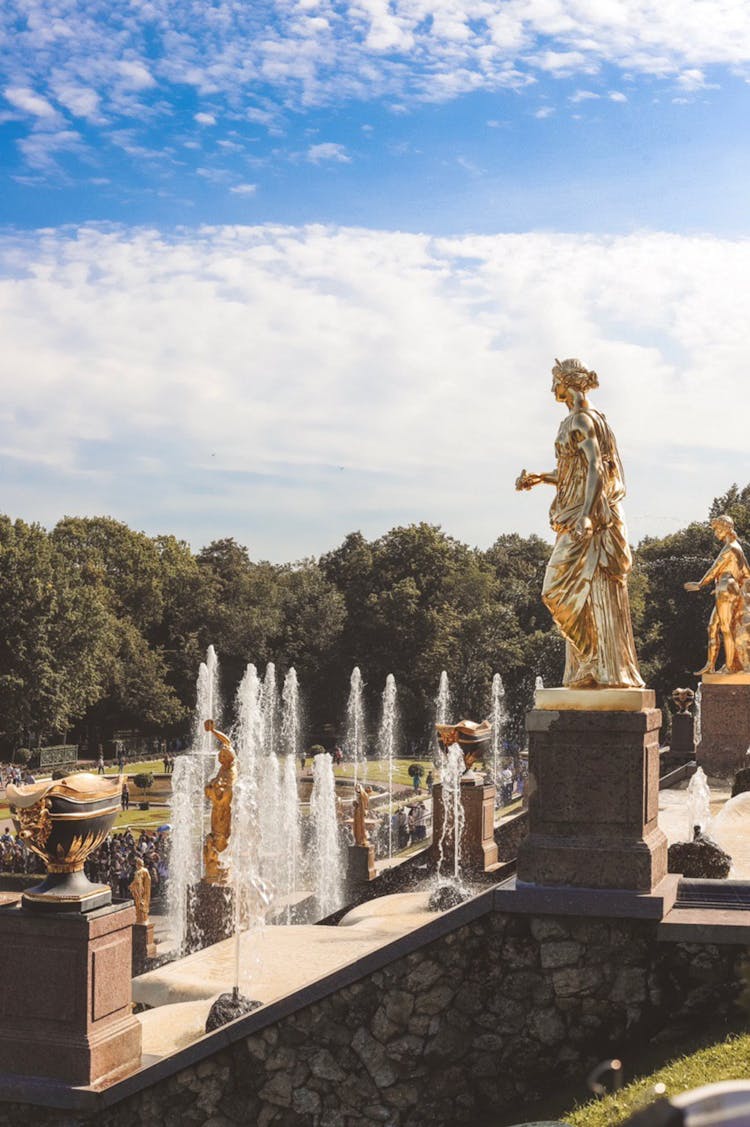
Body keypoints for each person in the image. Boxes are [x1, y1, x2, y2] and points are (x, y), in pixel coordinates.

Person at [516, 357, 643, 688]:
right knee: (572, 593)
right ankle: (593, 662)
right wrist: (540, 478)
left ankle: (594, 658)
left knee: (554, 591)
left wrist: (587, 513)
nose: (552, 388)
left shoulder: (584, 421)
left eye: (555, 381)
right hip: (575, 515)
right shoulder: (574, 421)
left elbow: (597, 469)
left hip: (587, 519)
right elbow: (575, 471)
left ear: (567, 382)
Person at [684, 514, 750, 674]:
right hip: (726, 588)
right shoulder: (735, 547)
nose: (715, 533)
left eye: (717, 529)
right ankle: (711, 665)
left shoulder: (731, 548)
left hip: (726, 589)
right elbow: (747, 573)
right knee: (712, 627)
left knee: (726, 628)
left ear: (726, 529)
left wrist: (700, 584)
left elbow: (714, 569)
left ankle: (730, 666)